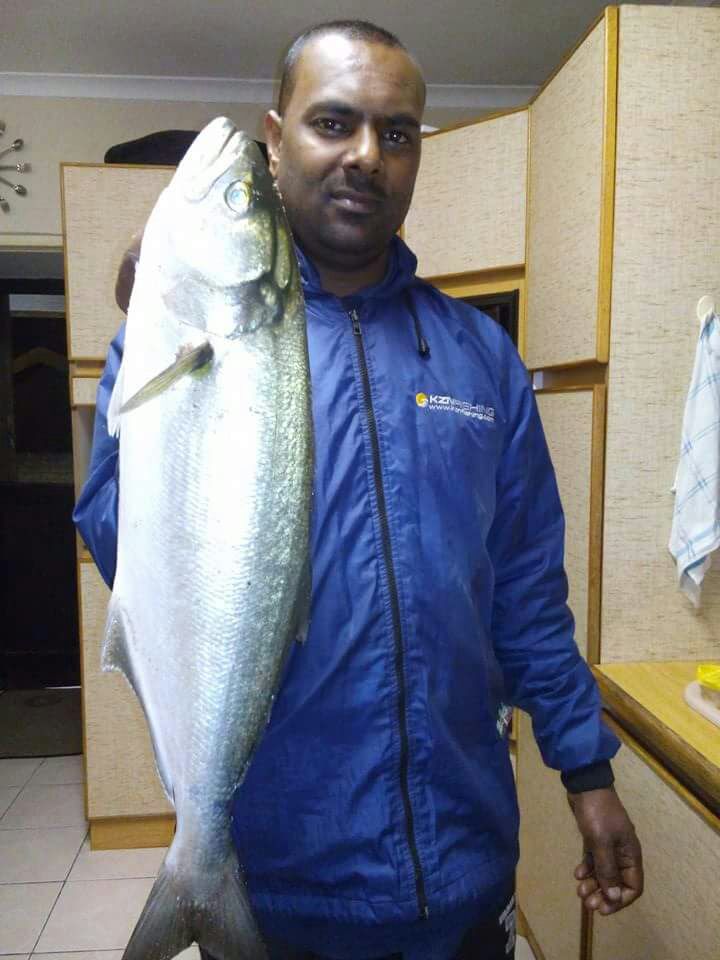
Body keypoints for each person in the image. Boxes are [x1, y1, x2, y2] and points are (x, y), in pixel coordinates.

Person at [74, 20, 643, 960]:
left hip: (463, 873)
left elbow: (528, 597)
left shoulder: (479, 356)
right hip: (274, 888)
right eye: (334, 123)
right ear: (276, 140)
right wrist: (163, 316)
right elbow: (117, 536)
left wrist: (587, 771)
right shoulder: (185, 341)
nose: (367, 156)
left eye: (398, 133)